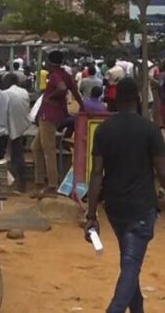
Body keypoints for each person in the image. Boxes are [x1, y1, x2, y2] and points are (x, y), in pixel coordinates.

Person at [85, 78, 165, 313]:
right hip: (141, 208)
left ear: (115, 100)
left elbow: (96, 174)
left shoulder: (103, 130)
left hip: (115, 208)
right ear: (138, 100)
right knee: (131, 264)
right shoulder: (150, 130)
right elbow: (162, 172)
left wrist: (91, 215)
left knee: (129, 261)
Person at [31, 50, 84, 199]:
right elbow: (75, 91)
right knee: (36, 147)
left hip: (48, 115)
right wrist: (82, 107)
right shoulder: (65, 74)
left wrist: (50, 97)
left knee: (48, 150)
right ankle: (39, 183)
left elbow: (62, 88)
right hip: (58, 115)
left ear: (49, 62)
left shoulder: (54, 75)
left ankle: (52, 185)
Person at [3, 73, 31, 193]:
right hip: (24, 126)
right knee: (17, 154)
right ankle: (19, 182)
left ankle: (19, 184)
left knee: (14, 156)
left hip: (10, 127)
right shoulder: (24, 92)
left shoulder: (6, 94)